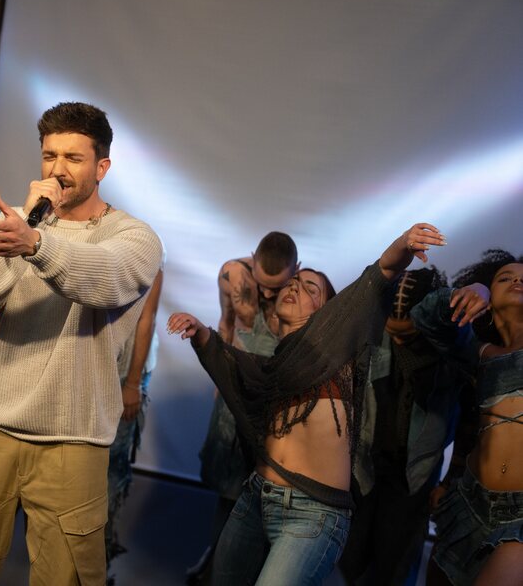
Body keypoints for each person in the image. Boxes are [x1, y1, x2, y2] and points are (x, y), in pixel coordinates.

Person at [0, 102, 163, 586]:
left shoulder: (135, 237)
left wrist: (35, 244)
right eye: (50, 155)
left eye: (73, 158)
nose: (58, 169)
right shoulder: (21, 222)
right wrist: (30, 228)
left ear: (102, 167)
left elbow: (104, 280)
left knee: (65, 578)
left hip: (73, 440)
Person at [168, 223, 445, 586]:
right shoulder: (271, 367)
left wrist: (404, 243)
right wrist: (200, 332)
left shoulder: (337, 346)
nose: (295, 287)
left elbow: (379, 274)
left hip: (312, 514)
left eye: (310, 288)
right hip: (255, 496)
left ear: (329, 312)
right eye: (293, 283)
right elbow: (233, 364)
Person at [340, 268, 473, 585]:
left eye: (408, 333)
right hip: (365, 468)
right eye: (393, 331)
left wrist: (451, 478)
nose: (399, 339)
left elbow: (470, 418)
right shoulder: (372, 332)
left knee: (395, 568)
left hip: (414, 479)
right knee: (349, 561)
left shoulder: (451, 349)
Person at [188, 232, 298, 584]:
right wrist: (220, 379)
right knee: (228, 489)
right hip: (235, 393)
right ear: (252, 258)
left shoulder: (303, 292)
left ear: (296, 268)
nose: (265, 294)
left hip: (273, 402)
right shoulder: (232, 276)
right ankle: (216, 561)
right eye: (262, 285)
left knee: (270, 493)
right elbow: (225, 324)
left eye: (275, 288)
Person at [410, 250, 523, 586]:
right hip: (471, 502)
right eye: (504, 278)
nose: (516, 281)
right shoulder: (480, 353)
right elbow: (425, 318)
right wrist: (474, 291)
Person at [106, 269, 163, 583]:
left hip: (127, 370)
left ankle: (99, 557)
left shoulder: (150, 250)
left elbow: (146, 316)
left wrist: (133, 382)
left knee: (112, 464)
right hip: (98, 363)